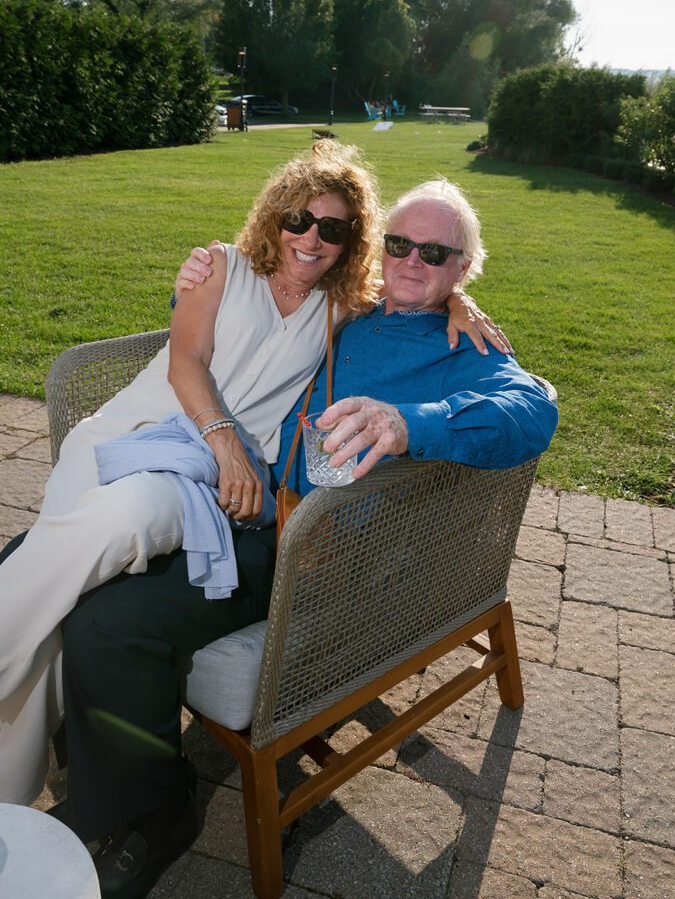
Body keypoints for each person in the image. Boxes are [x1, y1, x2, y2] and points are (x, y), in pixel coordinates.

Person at [0, 178, 556, 899]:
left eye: (436, 252)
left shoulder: (461, 348)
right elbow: (249, 315)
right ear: (379, 252)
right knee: (48, 563)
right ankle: (74, 766)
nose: (412, 260)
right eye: (399, 244)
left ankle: (149, 816)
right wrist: (199, 284)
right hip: (248, 509)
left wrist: (408, 422)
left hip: (317, 553)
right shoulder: (347, 311)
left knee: (110, 620)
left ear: (461, 268)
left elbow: (531, 406)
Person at [0, 140, 388, 809]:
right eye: (298, 218)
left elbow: (425, 286)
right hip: (128, 441)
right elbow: (185, 362)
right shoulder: (222, 266)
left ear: (352, 240)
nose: (310, 237)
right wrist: (227, 444)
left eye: (332, 228)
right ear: (275, 216)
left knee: (116, 529)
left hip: (192, 485)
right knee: (60, 616)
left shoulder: (343, 308)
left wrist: (464, 303)